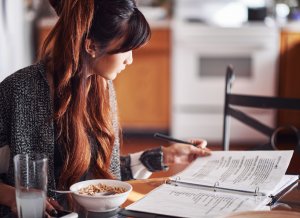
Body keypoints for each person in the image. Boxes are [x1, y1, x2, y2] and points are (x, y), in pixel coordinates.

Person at [0, 0, 211, 216]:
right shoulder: (17, 90)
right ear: (91, 46)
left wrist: (164, 157)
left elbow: (100, 176)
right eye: (126, 49)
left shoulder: (101, 88)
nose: (130, 60)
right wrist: (13, 196)